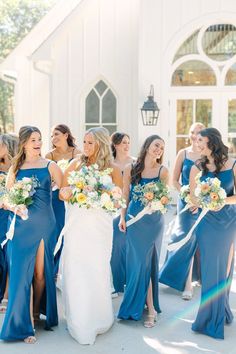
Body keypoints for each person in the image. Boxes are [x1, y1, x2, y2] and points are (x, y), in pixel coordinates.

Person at [59, 127, 122, 345]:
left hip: (99, 227)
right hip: (78, 225)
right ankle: (78, 319)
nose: (85, 147)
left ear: (102, 145)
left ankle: (99, 316)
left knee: (97, 268)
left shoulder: (112, 169)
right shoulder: (76, 163)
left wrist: (102, 196)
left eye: (90, 143)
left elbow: (118, 199)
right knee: (77, 269)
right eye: (84, 142)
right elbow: (62, 191)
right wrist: (69, 192)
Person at [0, 126, 62, 344]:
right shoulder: (15, 169)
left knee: (39, 275)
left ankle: (36, 312)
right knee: (20, 275)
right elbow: (5, 200)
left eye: (40, 139)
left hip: (45, 226)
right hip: (20, 228)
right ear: (24, 143)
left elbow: (65, 191)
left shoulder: (51, 166)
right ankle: (25, 324)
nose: (38, 143)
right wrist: (14, 206)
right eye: (33, 139)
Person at [189, 128, 236, 339]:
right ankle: (208, 317)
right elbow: (194, 198)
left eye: (202, 141)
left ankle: (221, 309)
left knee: (225, 267)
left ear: (213, 142)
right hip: (206, 223)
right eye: (197, 140)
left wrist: (221, 200)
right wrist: (205, 200)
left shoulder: (233, 164)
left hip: (227, 221)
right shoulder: (197, 166)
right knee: (209, 268)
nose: (198, 144)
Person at [117, 135, 169, 328]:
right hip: (133, 221)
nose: (159, 149)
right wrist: (122, 217)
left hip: (153, 222)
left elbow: (164, 200)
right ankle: (141, 304)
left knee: (147, 263)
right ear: (147, 145)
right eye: (156, 145)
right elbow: (125, 195)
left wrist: (155, 202)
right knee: (137, 263)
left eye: (162, 148)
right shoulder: (131, 168)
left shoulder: (163, 171)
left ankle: (151, 309)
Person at [159, 122, 205, 300]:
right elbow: (174, 181)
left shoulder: (208, 155)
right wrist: (187, 194)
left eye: (199, 132)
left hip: (204, 203)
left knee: (200, 240)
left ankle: (198, 277)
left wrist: (201, 199)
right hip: (185, 203)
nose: (195, 135)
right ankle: (186, 284)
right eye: (193, 132)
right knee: (186, 239)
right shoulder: (183, 153)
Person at [45, 124, 80, 275]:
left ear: (66, 135)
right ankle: (53, 271)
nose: (54, 138)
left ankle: (67, 271)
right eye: (52, 135)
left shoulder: (77, 154)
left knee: (71, 233)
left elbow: (81, 176)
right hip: (55, 200)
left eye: (57, 134)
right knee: (57, 232)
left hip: (73, 198)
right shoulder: (49, 156)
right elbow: (46, 178)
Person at [110, 132, 135, 294]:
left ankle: (129, 280)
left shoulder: (134, 163)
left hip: (130, 205)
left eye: (128, 142)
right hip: (111, 206)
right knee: (116, 245)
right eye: (123, 142)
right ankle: (117, 282)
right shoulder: (108, 163)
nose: (127, 145)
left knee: (129, 245)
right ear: (115, 145)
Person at [0, 133, 19, 312]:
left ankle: (6, 294)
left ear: (8, 146)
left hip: (10, 214)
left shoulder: (17, 167)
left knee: (8, 253)